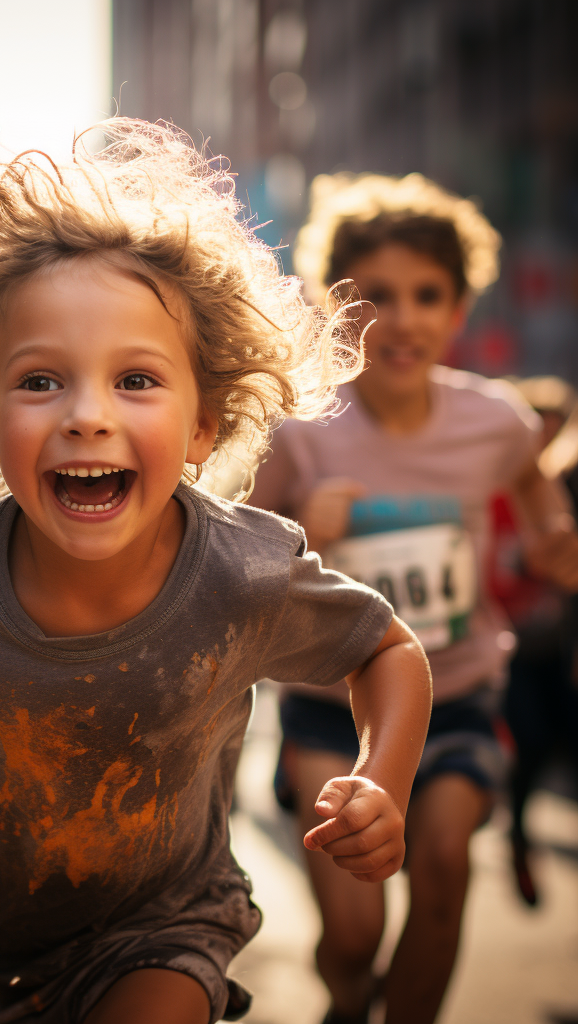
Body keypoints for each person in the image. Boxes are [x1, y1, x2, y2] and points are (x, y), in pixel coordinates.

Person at [0, 119, 433, 1024]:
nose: (87, 417)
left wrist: (383, 779)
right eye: (39, 383)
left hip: (163, 921)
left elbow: (386, 649)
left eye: (136, 380)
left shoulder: (242, 572)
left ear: (204, 424)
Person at [250, 173, 578, 1024]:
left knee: (443, 873)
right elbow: (236, 547)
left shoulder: (496, 421)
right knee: (354, 931)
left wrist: (552, 543)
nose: (403, 318)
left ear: (460, 307)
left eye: (428, 295)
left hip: (459, 693)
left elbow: (536, 495)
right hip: (331, 705)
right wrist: (297, 522)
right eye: (374, 296)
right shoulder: (301, 430)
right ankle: (349, 999)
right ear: (333, 304)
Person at [488, 376, 578, 906]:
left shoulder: (566, 487)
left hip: (554, 645)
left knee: (559, 736)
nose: (543, 441)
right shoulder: (490, 488)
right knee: (530, 734)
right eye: (535, 430)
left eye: (554, 430)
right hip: (505, 646)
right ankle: (516, 833)